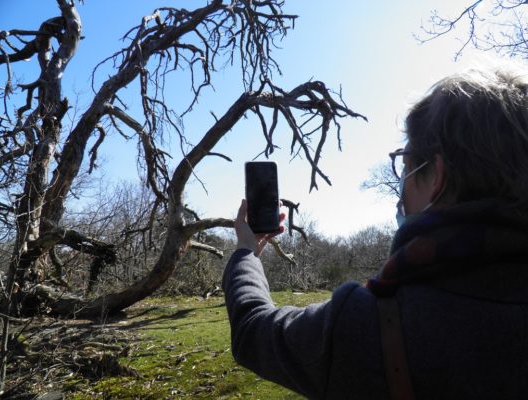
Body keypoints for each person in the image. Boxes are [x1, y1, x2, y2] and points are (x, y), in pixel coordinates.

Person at [222, 63, 528, 400]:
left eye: (407, 165)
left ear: (437, 177)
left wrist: (246, 251)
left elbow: (254, 330)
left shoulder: (363, 326)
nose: (402, 185)